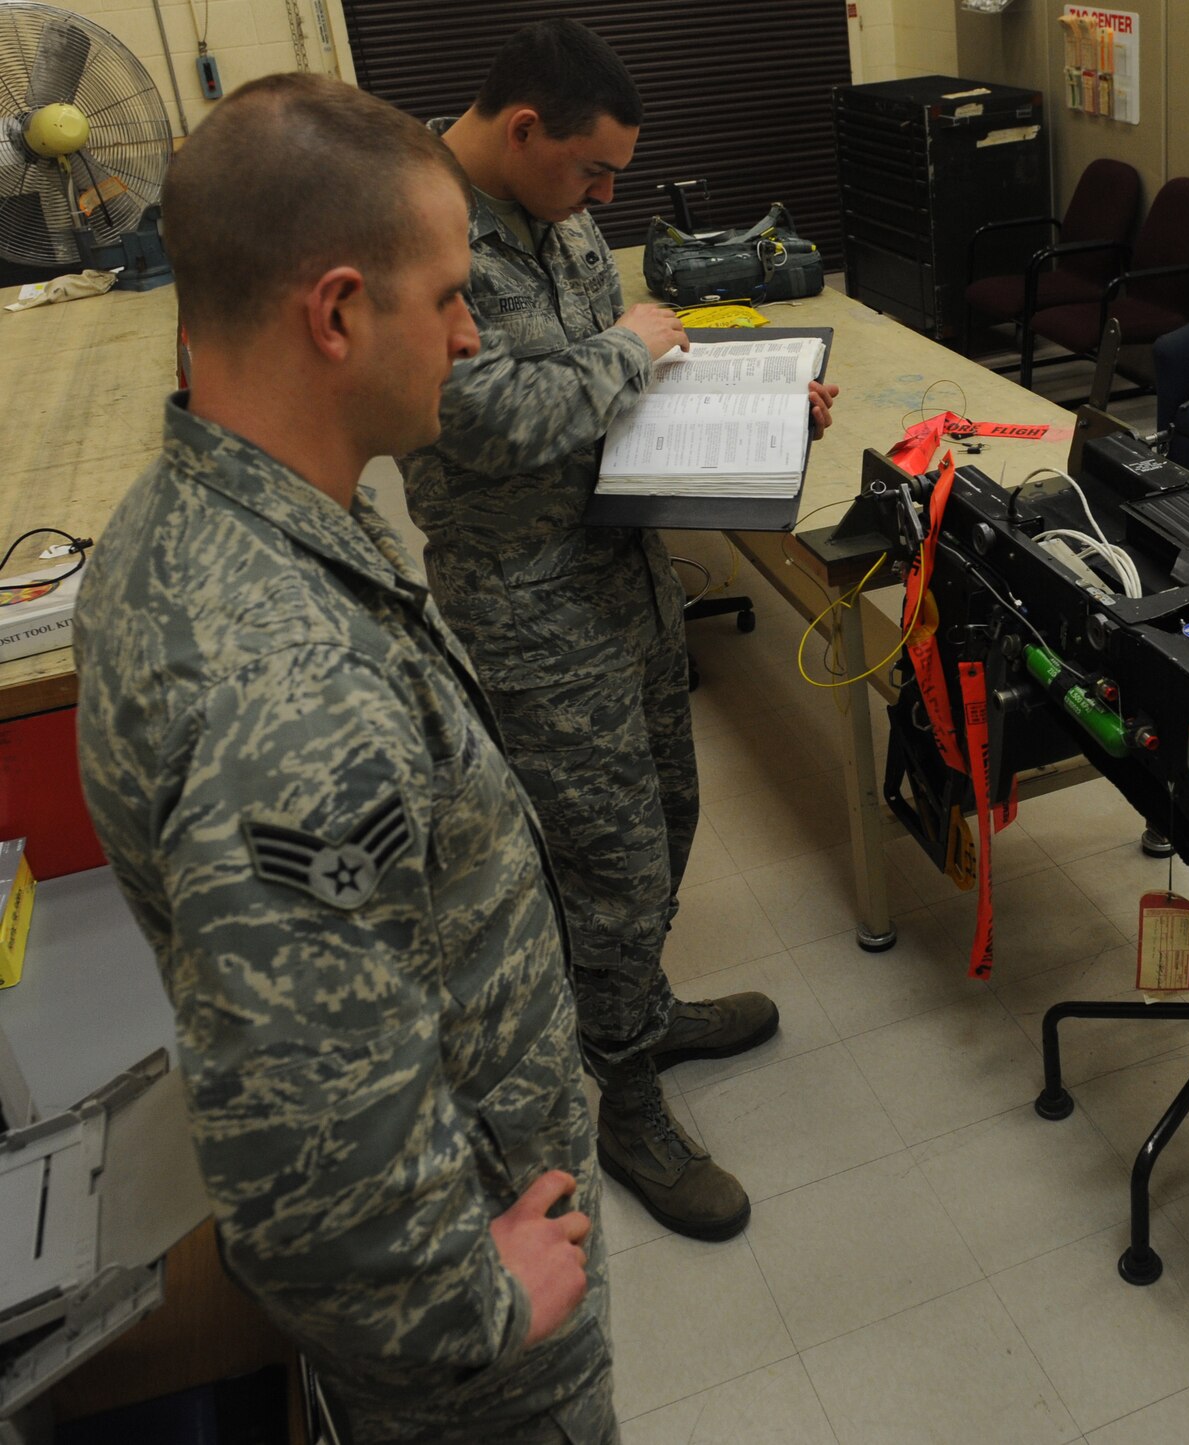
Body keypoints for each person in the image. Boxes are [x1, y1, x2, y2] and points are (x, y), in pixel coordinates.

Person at [73, 75, 617, 1444]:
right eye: (445, 297)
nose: (472, 328)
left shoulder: (184, 513)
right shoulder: (294, 696)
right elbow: (298, 1138)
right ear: (334, 313)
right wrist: (466, 1308)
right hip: (477, 1362)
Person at [402, 18, 835, 1242]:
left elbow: (632, 370)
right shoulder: (415, 225)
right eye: (593, 172)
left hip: (626, 565)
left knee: (669, 809)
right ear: (524, 129)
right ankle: (626, 1096)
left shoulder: (557, 210)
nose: (606, 197)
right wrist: (622, 350)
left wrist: (755, 402)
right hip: (529, 599)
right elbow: (470, 412)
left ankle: (637, 1002)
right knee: (609, 860)